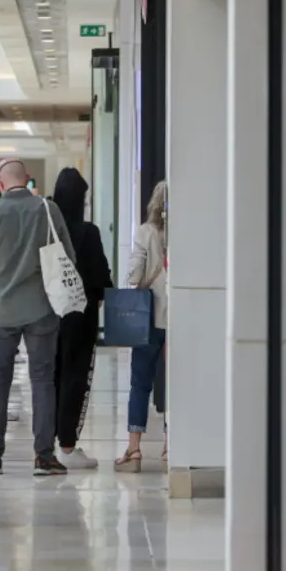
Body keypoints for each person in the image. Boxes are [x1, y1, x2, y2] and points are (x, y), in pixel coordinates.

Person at [0, 159, 76, 476]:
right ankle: (43, 456)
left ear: (0, 185)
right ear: (27, 180)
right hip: (42, 309)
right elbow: (68, 256)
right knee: (42, 380)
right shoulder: (47, 209)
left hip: (0, 311)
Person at [51, 168, 111, 470]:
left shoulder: (46, 228)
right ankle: (67, 444)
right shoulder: (88, 232)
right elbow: (100, 274)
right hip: (82, 314)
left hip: (49, 311)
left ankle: (45, 443)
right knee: (75, 376)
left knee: (48, 374)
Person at [116, 181, 169, 471]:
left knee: (140, 383)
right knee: (177, 384)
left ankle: (134, 449)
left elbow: (134, 274)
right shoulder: (187, 233)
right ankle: (169, 447)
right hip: (179, 319)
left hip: (148, 318)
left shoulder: (146, 232)